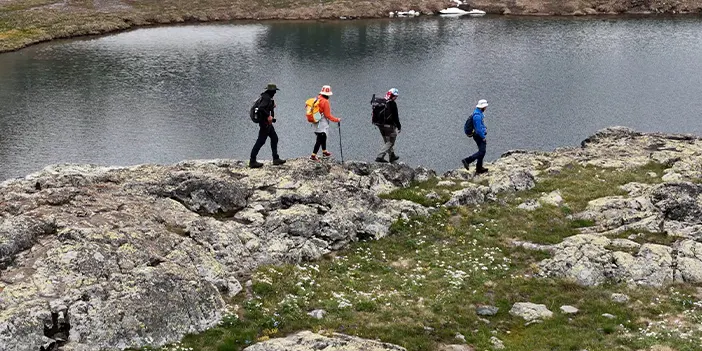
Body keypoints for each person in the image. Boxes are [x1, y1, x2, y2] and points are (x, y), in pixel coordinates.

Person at [249, 83, 286, 168]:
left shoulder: (266, 96)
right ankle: (252, 161)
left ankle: (276, 158)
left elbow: (264, 106)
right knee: (261, 141)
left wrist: (271, 105)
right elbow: (261, 108)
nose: (275, 93)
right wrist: (268, 116)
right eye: (274, 91)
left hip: (266, 123)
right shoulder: (266, 98)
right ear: (272, 91)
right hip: (264, 123)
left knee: (274, 138)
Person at [310, 85, 341, 161]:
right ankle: (313, 156)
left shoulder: (317, 98)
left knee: (323, 137)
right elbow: (328, 115)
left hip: (315, 120)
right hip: (322, 122)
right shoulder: (325, 101)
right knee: (320, 138)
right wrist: (337, 119)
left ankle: (324, 151)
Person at [462, 99, 489, 174]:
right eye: (485, 107)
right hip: (477, 135)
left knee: (482, 151)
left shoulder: (477, 112)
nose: (486, 108)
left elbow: (480, 126)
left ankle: (479, 168)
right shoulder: (477, 116)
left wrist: (484, 128)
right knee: (482, 151)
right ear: (482, 107)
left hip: (477, 134)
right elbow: (478, 129)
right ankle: (467, 160)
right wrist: (483, 137)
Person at [375, 88, 401, 163]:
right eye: (395, 96)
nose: (396, 98)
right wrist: (399, 126)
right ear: (392, 95)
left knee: (387, 141)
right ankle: (380, 156)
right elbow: (396, 117)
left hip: (380, 125)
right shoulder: (392, 104)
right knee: (391, 142)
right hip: (389, 126)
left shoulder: (382, 102)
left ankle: (392, 156)